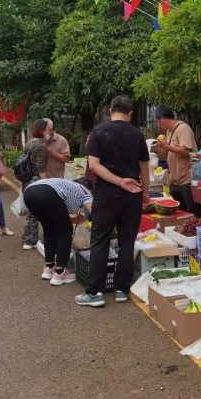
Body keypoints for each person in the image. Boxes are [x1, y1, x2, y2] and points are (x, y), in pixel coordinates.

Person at [75, 96, 150, 308]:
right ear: (130, 113)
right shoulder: (137, 134)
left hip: (106, 194)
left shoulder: (98, 132)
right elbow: (144, 166)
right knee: (127, 240)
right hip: (133, 193)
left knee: (100, 240)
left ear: (110, 111)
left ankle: (95, 292)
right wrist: (145, 192)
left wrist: (118, 181)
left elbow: (94, 165)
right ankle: (122, 289)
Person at [23, 177, 92, 286]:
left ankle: (49, 267)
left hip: (28, 193)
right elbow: (89, 212)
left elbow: (62, 214)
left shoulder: (67, 186)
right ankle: (60, 272)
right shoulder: (85, 192)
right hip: (48, 193)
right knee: (65, 231)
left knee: (49, 229)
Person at [152, 106, 201, 217]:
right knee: (180, 216)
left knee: (193, 216)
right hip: (176, 182)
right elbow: (170, 152)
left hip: (187, 181)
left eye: (157, 122)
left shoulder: (183, 129)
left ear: (162, 119)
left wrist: (166, 146)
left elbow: (185, 152)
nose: (158, 125)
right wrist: (157, 149)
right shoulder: (169, 131)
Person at [22, 119, 49, 250]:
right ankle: (33, 240)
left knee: (31, 211)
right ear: (42, 131)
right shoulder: (42, 146)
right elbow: (40, 167)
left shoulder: (29, 143)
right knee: (39, 211)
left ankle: (28, 237)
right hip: (36, 181)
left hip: (27, 180)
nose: (49, 132)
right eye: (48, 130)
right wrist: (47, 183)